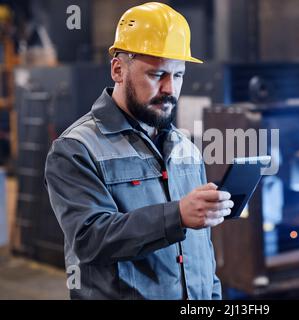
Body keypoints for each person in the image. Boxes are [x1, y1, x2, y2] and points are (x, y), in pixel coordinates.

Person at [44, 2, 233, 300]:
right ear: (118, 70)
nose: (171, 88)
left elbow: (201, 249)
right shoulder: (76, 149)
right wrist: (177, 216)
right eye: (158, 75)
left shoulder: (185, 148)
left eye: (179, 75)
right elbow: (89, 238)